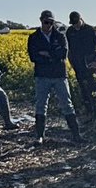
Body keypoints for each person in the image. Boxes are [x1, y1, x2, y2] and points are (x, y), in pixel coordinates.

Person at [27, 9, 81, 145]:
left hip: (59, 75)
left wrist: (46, 54)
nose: (48, 25)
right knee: (41, 105)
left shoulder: (60, 36)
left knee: (67, 104)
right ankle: (39, 136)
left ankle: (76, 134)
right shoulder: (33, 37)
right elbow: (33, 56)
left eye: (51, 22)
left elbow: (63, 54)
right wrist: (52, 56)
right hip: (42, 75)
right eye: (46, 22)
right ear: (41, 21)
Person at [66, 11, 96, 114]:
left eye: (77, 22)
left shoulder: (91, 30)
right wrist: (71, 63)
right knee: (83, 90)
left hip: (91, 65)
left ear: (81, 19)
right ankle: (88, 112)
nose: (75, 25)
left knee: (94, 89)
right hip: (78, 66)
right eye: (73, 23)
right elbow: (69, 49)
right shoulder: (70, 31)